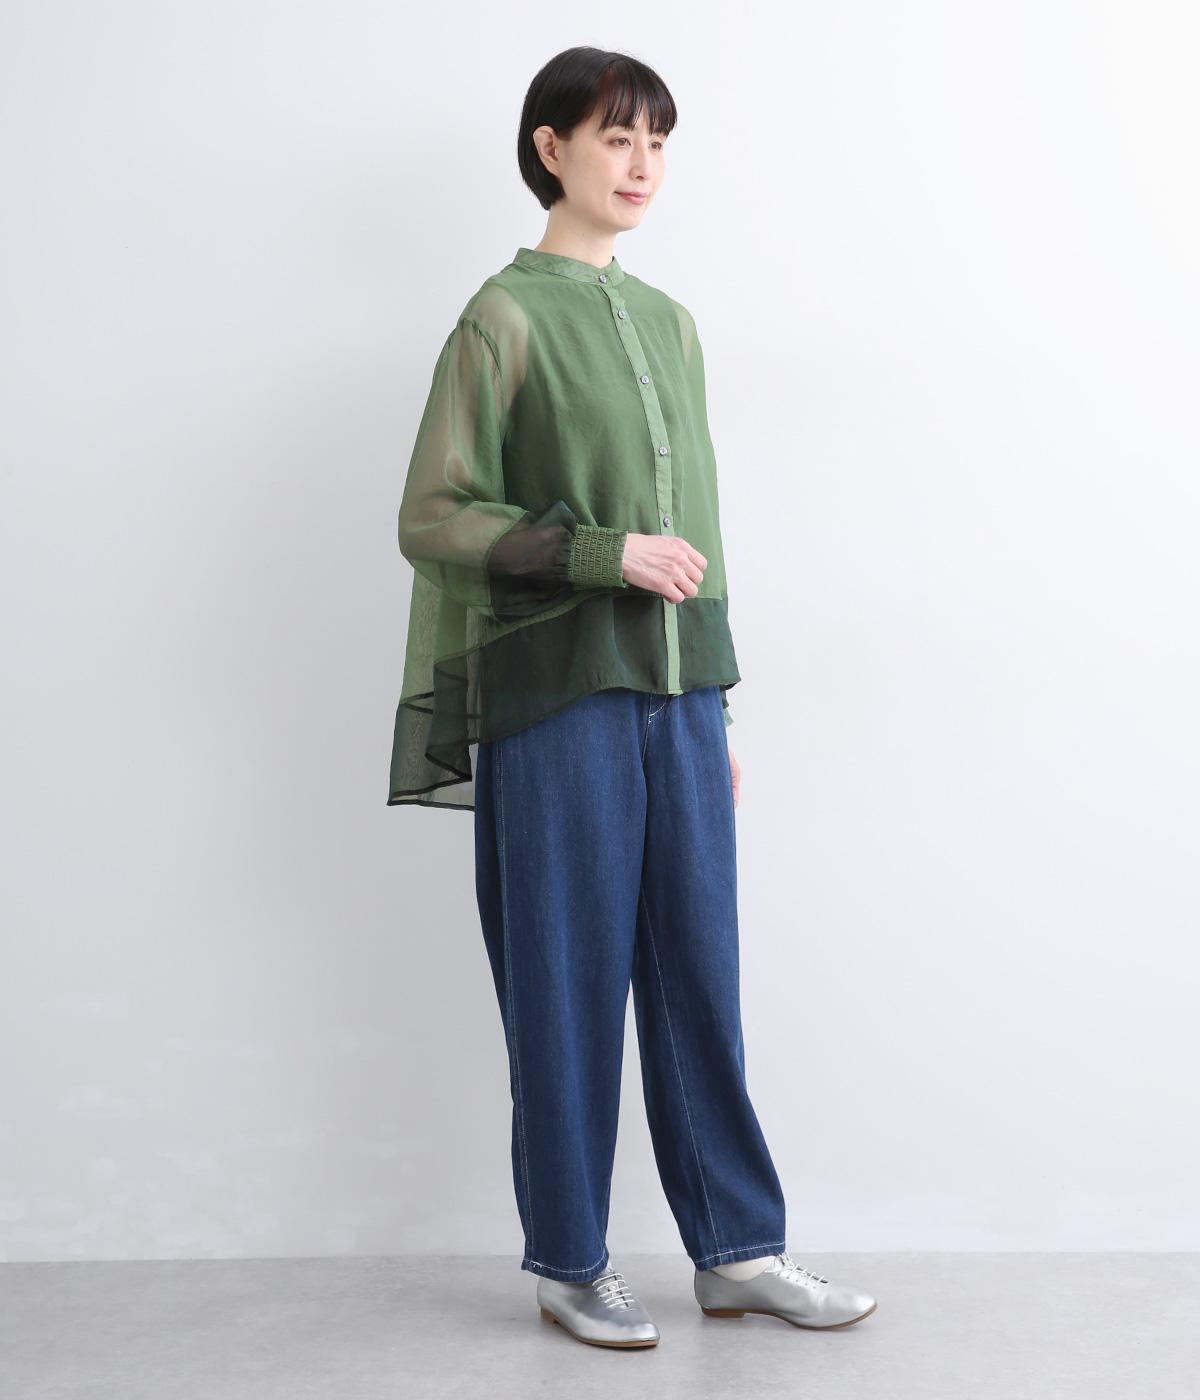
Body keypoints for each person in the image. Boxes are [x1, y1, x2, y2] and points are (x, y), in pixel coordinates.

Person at [388, 45, 878, 1348]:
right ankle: (569, 1261)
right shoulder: (501, 318)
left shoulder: (671, 324)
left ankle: (739, 1250)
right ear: (550, 150)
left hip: (680, 700)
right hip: (559, 700)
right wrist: (604, 554)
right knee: (565, 983)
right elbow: (433, 515)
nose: (643, 163)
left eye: (658, 139)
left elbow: (698, 529)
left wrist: (715, 710)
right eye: (616, 137)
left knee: (699, 974)